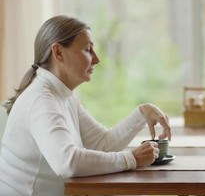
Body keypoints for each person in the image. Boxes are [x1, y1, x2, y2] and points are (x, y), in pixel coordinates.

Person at [0, 15, 172, 195]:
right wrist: (132, 158)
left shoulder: (64, 95)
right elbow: (67, 162)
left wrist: (141, 113)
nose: (96, 59)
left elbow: (103, 144)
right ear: (58, 52)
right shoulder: (42, 99)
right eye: (87, 49)